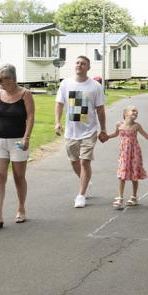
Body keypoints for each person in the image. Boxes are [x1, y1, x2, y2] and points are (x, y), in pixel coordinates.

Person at [0, 64, 35, 230]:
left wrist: (26, 137)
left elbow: (30, 117)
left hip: (18, 141)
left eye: (1, 80)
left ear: (11, 79)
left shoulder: (26, 94)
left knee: (18, 176)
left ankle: (21, 208)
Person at [55, 55, 107, 208]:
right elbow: (59, 104)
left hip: (89, 132)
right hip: (71, 132)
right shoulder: (66, 84)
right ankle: (86, 180)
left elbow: (100, 110)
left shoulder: (95, 86)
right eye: (77, 62)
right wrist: (57, 122)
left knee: (85, 162)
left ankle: (81, 194)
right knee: (74, 162)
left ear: (88, 68)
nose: (79, 65)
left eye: (83, 63)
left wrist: (103, 129)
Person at [106, 105, 148, 209]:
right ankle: (120, 197)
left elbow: (146, 135)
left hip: (134, 153)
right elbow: (115, 134)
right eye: (133, 111)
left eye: (137, 112)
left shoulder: (136, 126)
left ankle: (134, 197)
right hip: (124, 154)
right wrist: (106, 136)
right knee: (122, 174)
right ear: (125, 113)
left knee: (134, 174)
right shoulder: (119, 124)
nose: (136, 113)